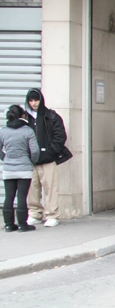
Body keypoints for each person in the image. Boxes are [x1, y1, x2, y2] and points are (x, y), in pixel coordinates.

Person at [24, 88, 69, 227]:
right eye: (30, 101)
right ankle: (34, 214)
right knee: (32, 189)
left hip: (48, 159)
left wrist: (50, 153)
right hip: (31, 160)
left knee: (51, 188)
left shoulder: (51, 116)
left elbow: (60, 136)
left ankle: (52, 215)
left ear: (41, 100)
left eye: (36, 100)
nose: (33, 103)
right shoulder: (25, 118)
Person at [0, 104, 40, 232]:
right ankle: (23, 224)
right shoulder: (28, 131)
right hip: (24, 169)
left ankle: (8, 225)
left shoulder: (3, 131)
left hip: (8, 169)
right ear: (22, 116)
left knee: (9, 196)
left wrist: (5, 158)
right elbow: (34, 151)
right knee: (22, 196)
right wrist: (31, 162)